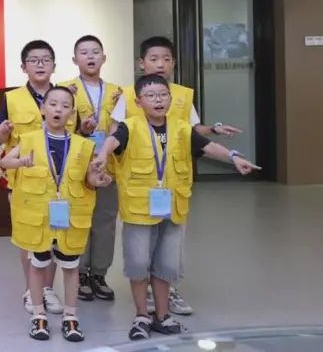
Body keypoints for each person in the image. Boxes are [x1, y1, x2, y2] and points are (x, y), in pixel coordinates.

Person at [92, 75, 259, 341]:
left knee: (166, 264)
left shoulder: (181, 128)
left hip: (172, 207)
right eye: (150, 96)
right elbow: (113, 141)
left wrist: (233, 157)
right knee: (138, 263)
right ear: (139, 102)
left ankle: (162, 316)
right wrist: (102, 154)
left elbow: (208, 146)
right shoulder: (129, 126)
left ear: (170, 99)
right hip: (139, 209)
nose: (158, 100)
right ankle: (141, 316)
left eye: (162, 95)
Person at [109, 36, 244, 316]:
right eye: (154, 59)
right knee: (140, 245)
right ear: (142, 63)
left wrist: (215, 132)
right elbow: (115, 133)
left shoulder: (182, 95)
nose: (160, 64)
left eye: (166, 59)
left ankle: (167, 293)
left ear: (173, 63)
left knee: (169, 247)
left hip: (173, 184)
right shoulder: (127, 95)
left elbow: (194, 132)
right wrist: (103, 161)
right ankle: (145, 300)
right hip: (139, 184)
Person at [0, 86, 112, 342]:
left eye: (64, 106)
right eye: (52, 104)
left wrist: (99, 179)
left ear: (72, 114)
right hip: (39, 217)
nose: (58, 109)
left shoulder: (83, 145)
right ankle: (38, 314)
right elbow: (5, 162)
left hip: (70, 218)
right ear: (42, 109)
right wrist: (20, 162)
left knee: (70, 267)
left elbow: (90, 178)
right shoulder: (29, 139)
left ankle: (70, 316)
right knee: (38, 264)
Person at [0, 40, 69, 315]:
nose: (40, 64)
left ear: (54, 66)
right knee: (29, 238)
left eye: (45, 59)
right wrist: (2, 132)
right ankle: (31, 290)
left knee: (56, 237)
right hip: (24, 180)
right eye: (34, 60)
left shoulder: (64, 96)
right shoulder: (12, 98)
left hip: (59, 182)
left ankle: (47, 289)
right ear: (23, 67)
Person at [62, 36, 122, 302]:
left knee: (105, 221)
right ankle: (81, 273)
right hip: (78, 167)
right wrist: (80, 128)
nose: (90, 56)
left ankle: (99, 273)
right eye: (84, 52)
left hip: (108, 166)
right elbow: (57, 126)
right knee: (79, 220)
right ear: (75, 59)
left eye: (95, 52)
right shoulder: (66, 90)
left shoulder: (117, 93)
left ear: (104, 58)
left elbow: (123, 127)